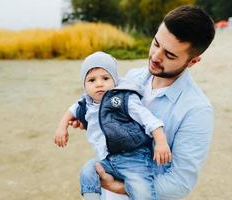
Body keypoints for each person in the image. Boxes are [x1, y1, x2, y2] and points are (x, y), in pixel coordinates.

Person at [70, 5, 216, 200]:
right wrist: (91, 119)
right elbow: (114, 115)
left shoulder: (197, 110)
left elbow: (180, 183)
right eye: (156, 43)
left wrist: (118, 187)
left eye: (170, 55)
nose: (155, 57)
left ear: (192, 61)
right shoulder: (133, 76)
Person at [55, 51, 172, 200]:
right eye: (91, 80)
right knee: (88, 170)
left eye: (105, 78)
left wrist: (161, 141)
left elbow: (149, 119)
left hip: (134, 159)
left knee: (142, 190)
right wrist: (62, 127)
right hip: (108, 159)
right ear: (84, 85)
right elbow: (71, 111)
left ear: (114, 80)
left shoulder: (123, 99)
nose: (99, 84)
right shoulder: (86, 103)